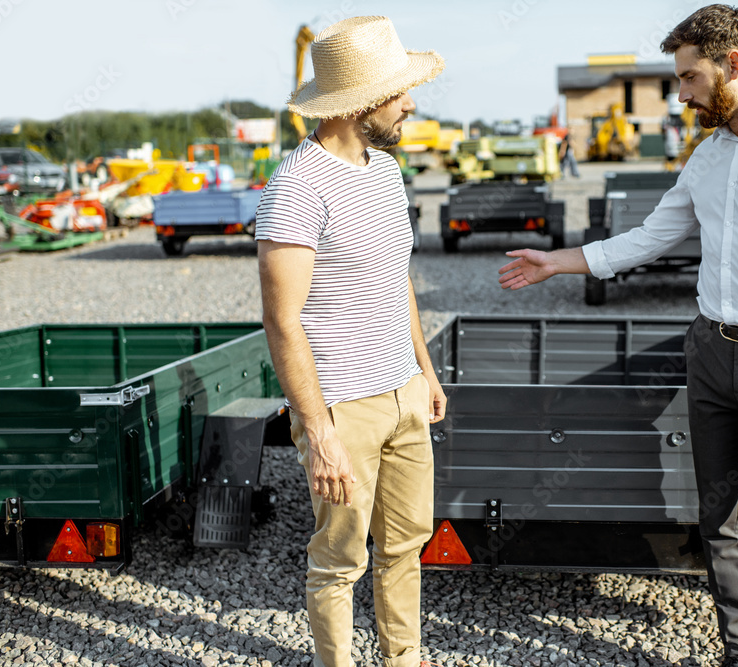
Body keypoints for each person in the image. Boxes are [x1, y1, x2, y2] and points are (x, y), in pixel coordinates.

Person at [497, 5, 738, 667]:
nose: (683, 93)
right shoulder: (709, 156)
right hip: (711, 356)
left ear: (735, 64)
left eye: (691, 77)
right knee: (721, 522)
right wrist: (558, 261)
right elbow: (651, 236)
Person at [255, 16, 446, 667]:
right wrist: (320, 432)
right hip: (343, 408)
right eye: (400, 93)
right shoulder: (296, 188)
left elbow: (398, 278)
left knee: (405, 544)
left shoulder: (387, 171)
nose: (411, 103)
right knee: (340, 560)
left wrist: (424, 369)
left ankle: (405, 656)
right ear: (363, 101)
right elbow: (282, 321)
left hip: (405, 395)